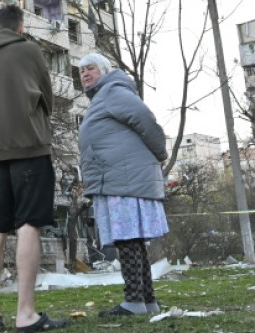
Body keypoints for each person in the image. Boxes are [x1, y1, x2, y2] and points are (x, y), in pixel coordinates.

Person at [0, 3, 68, 333]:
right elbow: (48, 100)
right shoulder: (30, 50)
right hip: (29, 148)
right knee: (28, 224)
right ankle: (26, 314)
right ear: (21, 28)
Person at [77, 53, 169, 317]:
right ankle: (147, 301)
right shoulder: (105, 95)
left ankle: (134, 301)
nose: (84, 74)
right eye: (81, 71)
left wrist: (160, 151)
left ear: (105, 71)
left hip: (122, 179)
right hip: (119, 178)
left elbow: (143, 116)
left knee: (127, 239)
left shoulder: (111, 91)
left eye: (90, 69)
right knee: (133, 241)